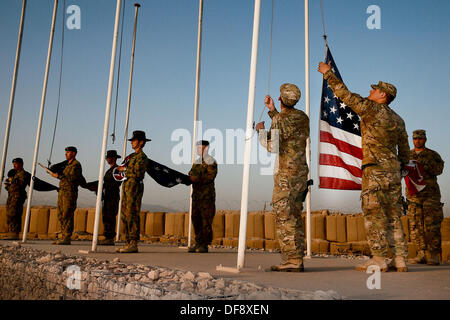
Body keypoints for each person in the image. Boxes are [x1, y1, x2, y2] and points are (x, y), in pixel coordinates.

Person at [318, 61, 410, 272]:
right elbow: (404, 150)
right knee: (394, 216)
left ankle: (379, 259)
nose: (371, 90)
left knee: (374, 215)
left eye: (375, 89)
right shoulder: (399, 120)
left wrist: (328, 74)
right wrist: (399, 169)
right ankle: (400, 259)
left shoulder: (371, 108)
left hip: (375, 171)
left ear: (383, 96)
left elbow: (346, 96)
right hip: (394, 174)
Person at [255, 83, 309, 272]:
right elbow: (287, 129)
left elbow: (273, 147)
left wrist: (261, 132)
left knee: (284, 217)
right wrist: (273, 112)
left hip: (286, 174)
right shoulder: (303, 117)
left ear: (280, 99)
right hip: (301, 173)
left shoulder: (280, 119)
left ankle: (292, 260)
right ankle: (297, 257)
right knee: (295, 215)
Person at [407, 130, 445, 265]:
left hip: (431, 194)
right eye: (415, 139)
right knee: (415, 225)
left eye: (420, 138)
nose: (418, 141)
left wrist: (423, 166)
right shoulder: (408, 155)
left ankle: (433, 254)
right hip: (413, 195)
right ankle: (421, 253)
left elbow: (439, 170)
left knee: (432, 225)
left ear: (425, 139)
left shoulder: (432, 155)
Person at [115, 130, 149, 253]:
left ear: (141, 142)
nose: (131, 143)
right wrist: (123, 169)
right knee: (125, 215)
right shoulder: (131, 157)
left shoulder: (142, 157)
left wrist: (124, 169)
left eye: (134, 140)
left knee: (132, 215)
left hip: (134, 189)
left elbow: (137, 173)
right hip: (127, 188)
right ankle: (128, 242)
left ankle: (133, 243)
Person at [188, 140, 218, 253]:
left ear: (206, 148)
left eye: (200, 147)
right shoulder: (196, 162)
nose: (198, 149)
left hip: (206, 197)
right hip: (196, 196)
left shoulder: (211, 161)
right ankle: (198, 242)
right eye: (197, 147)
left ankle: (204, 244)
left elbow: (210, 176)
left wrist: (196, 178)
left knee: (206, 221)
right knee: (196, 219)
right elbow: (190, 174)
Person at [49, 146, 83, 245]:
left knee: (67, 213)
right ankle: (63, 236)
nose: (66, 154)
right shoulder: (66, 165)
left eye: (68, 152)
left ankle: (67, 237)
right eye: (66, 152)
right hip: (62, 192)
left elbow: (71, 178)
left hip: (70, 193)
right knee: (61, 214)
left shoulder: (76, 165)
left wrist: (58, 176)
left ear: (73, 153)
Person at [98, 150, 122, 246]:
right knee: (106, 216)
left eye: (110, 157)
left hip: (113, 196)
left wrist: (106, 185)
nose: (108, 159)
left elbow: (118, 182)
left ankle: (110, 238)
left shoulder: (117, 169)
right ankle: (107, 237)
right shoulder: (110, 170)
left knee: (110, 216)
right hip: (107, 196)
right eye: (107, 157)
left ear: (115, 158)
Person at [3, 158, 28, 240]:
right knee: (9, 214)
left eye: (16, 163)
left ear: (21, 164)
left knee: (14, 214)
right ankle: (11, 233)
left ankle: (14, 233)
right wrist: (7, 186)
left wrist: (12, 180)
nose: (14, 165)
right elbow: (12, 187)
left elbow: (21, 183)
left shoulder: (23, 174)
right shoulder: (15, 174)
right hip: (11, 196)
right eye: (14, 164)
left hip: (18, 196)